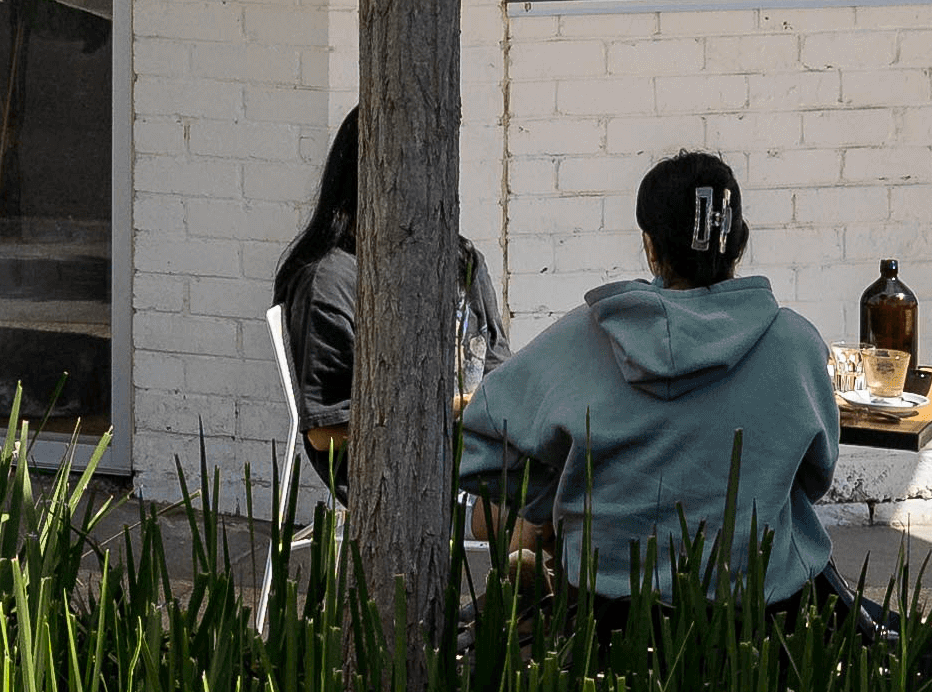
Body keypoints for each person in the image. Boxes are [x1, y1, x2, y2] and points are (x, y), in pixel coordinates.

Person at [460, 150, 840, 608]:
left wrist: (562, 498)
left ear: (651, 247)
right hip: (761, 609)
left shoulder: (583, 338)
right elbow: (816, 474)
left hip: (605, 612)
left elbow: (477, 452)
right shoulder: (797, 345)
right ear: (739, 245)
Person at [270, 108, 511, 465]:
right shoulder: (331, 281)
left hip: (479, 460)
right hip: (391, 468)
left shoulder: (461, 259)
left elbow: (498, 370)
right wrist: (460, 406)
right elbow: (324, 434)